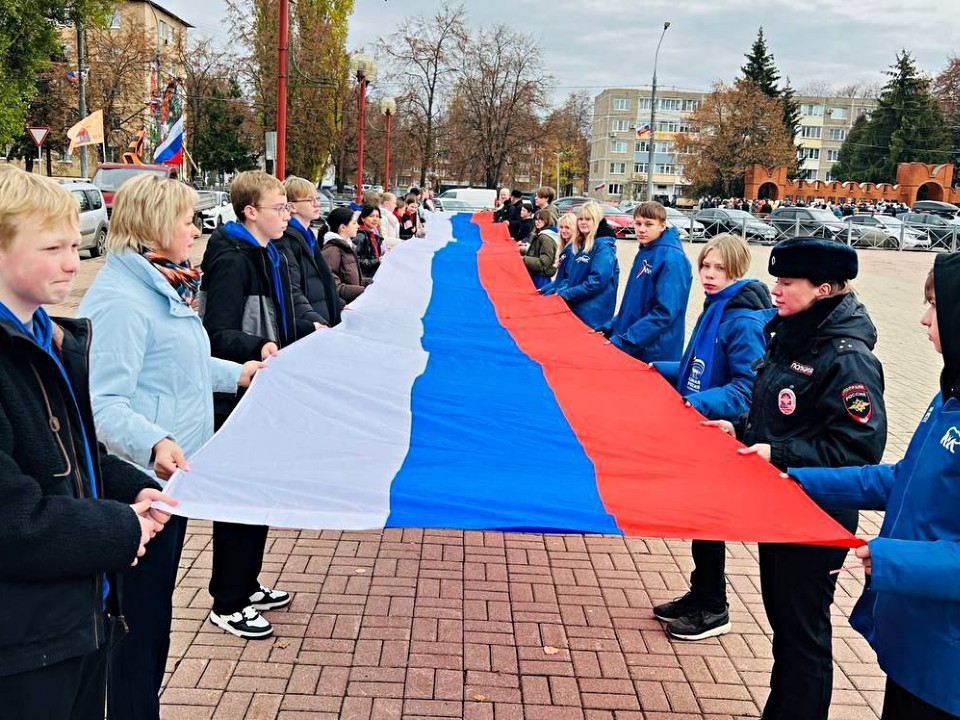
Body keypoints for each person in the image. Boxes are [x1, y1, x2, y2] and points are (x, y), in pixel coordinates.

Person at [78, 174, 263, 718]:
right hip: (140, 486)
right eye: (186, 219)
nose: (195, 228)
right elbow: (103, 401)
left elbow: (181, 365)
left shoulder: (166, 285)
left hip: (172, 480)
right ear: (157, 226)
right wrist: (155, 439)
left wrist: (240, 374)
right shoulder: (124, 300)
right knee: (139, 622)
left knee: (152, 617)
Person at [0, 165, 173, 717]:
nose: (74, 262)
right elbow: (13, 520)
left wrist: (132, 486)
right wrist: (123, 526)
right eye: (52, 247)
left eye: (75, 244)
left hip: (72, 621)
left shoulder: (43, 334)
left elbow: (70, 453)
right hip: (23, 643)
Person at [704, 236, 887, 720]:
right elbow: (779, 411)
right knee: (785, 629)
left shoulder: (846, 358)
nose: (775, 290)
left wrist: (778, 454)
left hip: (815, 517)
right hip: (781, 508)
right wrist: (739, 429)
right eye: (776, 280)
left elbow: (859, 449)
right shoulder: (789, 333)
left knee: (803, 636)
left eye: (787, 282)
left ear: (823, 288)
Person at [786, 255, 960, 720]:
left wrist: (886, 558)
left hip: (949, 663)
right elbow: (899, 478)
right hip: (917, 643)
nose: (924, 318)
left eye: (936, 306)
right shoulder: (949, 396)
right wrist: (797, 481)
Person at [650, 233, 773, 641]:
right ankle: (700, 592)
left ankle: (715, 607)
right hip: (700, 429)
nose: (709, 274)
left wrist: (697, 404)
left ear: (737, 269)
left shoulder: (742, 319)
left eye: (719, 268)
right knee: (697, 516)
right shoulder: (715, 307)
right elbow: (695, 366)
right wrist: (658, 369)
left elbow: (747, 387)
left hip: (722, 432)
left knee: (709, 518)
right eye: (705, 266)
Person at [199, 170, 301, 640]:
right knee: (241, 492)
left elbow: (283, 313)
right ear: (250, 212)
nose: (287, 214)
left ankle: (247, 582)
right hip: (237, 389)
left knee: (259, 490)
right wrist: (259, 345)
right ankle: (228, 600)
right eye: (279, 207)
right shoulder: (232, 258)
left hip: (262, 385)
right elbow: (217, 333)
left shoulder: (268, 254)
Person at [600, 201, 692, 363]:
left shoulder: (672, 259)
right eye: (638, 224)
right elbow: (633, 303)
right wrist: (611, 326)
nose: (642, 229)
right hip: (635, 343)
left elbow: (665, 312)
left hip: (654, 350)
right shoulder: (646, 250)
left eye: (649, 224)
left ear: (662, 226)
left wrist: (627, 339)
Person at [540, 202, 619, 330]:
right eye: (580, 219)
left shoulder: (603, 248)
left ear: (597, 221)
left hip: (591, 313)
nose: (583, 222)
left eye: (588, 219)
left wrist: (565, 294)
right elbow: (570, 278)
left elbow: (597, 281)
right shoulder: (581, 245)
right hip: (577, 307)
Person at [277, 176, 343, 328]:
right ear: (291, 206)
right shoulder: (288, 239)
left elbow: (321, 280)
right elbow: (294, 289)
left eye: (317, 198)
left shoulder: (307, 236)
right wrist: (315, 320)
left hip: (320, 315)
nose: (317, 203)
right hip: (312, 320)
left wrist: (339, 304)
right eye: (309, 200)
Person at [322, 207, 369, 302]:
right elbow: (332, 285)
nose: (358, 226)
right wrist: (363, 291)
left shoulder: (348, 247)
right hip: (343, 308)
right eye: (354, 223)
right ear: (343, 227)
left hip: (352, 303)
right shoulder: (332, 250)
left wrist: (372, 283)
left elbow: (354, 279)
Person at [521, 208, 559, 289]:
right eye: (536, 219)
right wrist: (521, 250)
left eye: (541, 219)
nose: (537, 222)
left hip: (540, 277)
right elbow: (535, 251)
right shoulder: (541, 234)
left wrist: (523, 259)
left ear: (547, 220)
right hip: (538, 275)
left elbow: (544, 263)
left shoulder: (545, 237)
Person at [354, 204, 384, 278]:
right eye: (371, 216)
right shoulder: (360, 236)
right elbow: (355, 261)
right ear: (363, 218)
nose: (375, 219)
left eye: (377, 216)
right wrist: (377, 260)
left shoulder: (373, 235)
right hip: (365, 278)